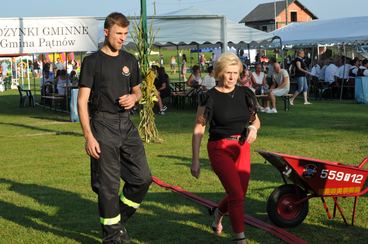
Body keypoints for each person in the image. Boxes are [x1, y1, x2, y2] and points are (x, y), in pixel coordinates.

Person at [77, 12, 152, 244]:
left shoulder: (129, 60)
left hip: (126, 125)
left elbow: (138, 91)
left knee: (142, 178)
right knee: (108, 186)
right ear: (106, 32)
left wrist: (134, 97)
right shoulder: (92, 62)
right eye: (118, 33)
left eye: (125, 34)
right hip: (103, 124)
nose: (122, 38)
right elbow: (81, 101)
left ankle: (115, 223)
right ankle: (113, 238)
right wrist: (89, 136)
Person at [191, 52, 260, 244]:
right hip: (219, 148)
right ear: (220, 73)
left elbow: (256, 120)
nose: (232, 77)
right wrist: (195, 160)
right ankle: (240, 238)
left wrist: (254, 128)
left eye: (235, 73)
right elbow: (199, 128)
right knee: (237, 195)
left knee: (237, 193)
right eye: (228, 72)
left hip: (242, 147)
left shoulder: (246, 93)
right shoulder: (209, 97)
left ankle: (218, 215)